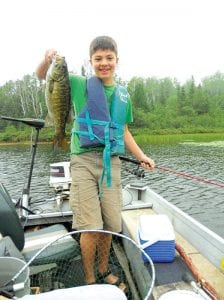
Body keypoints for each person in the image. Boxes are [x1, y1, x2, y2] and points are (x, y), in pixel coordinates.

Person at [36, 36, 155, 290]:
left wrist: (142, 156)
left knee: (111, 225)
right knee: (90, 225)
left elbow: (123, 131)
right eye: (98, 59)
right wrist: (47, 61)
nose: (104, 63)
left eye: (109, 58)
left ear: (117, 61)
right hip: (83, 162)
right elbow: (41, 77)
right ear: (90, 62)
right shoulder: (79, 84)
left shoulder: (123, 95)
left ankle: (103, 270)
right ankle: (90, 279)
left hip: (111, 163)